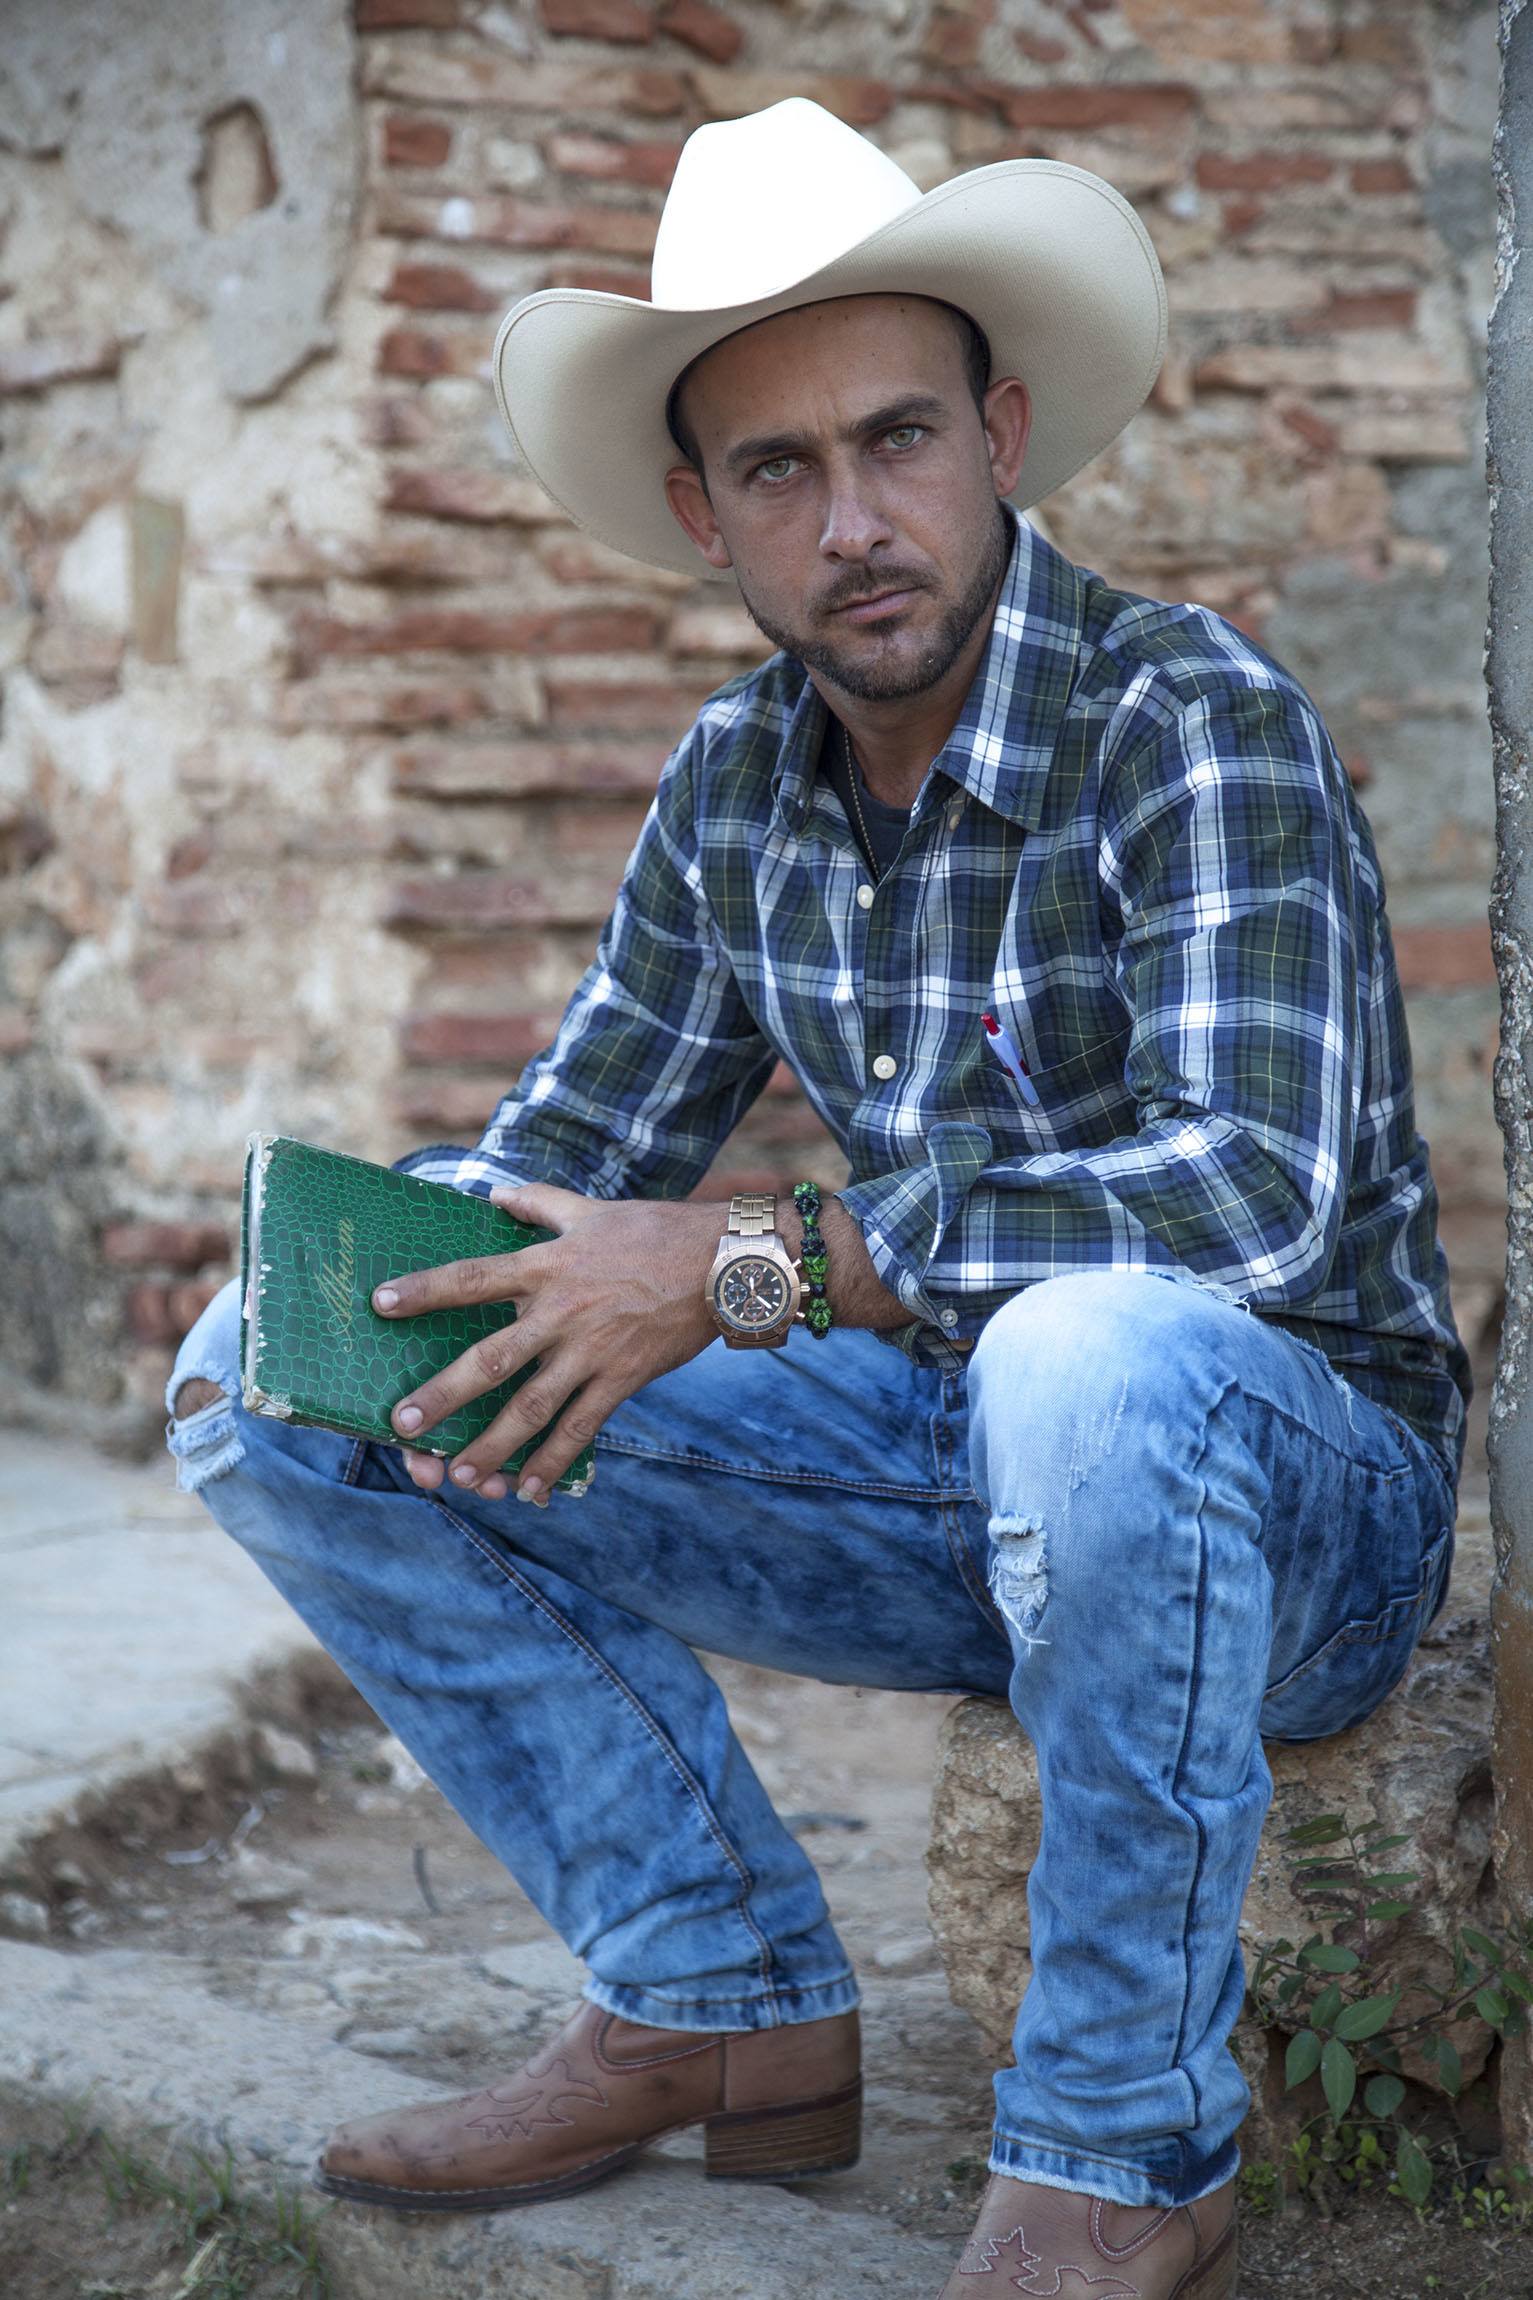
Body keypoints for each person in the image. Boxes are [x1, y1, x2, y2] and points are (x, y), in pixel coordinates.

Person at [166, 98, 1468, 2299]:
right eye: (777, 471)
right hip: (953, 1481)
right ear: (701, 518)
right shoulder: (728, 782)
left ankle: (1117, 2154)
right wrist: (367, 1238)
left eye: (894, 439)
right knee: (276, 1367)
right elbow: (574, 1169)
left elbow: (1245, 1204)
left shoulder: (1189, 719)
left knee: (1085, 1349)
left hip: (1284, 1502)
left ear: (1003, 434)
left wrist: (766, 1260)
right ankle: (716, 1991)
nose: (851, 521)